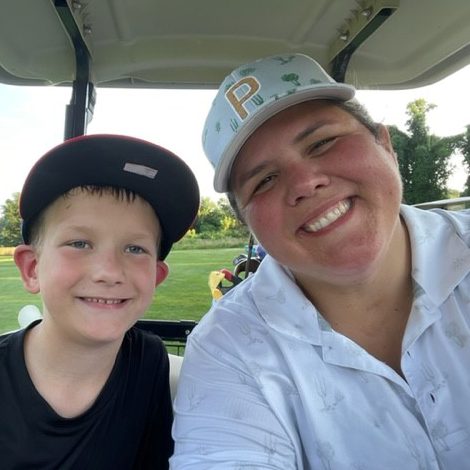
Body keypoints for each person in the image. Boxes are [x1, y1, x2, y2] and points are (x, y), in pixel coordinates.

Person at [170, 53, 470, 469]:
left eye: (322, 143)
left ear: (385, 145)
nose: (306, 183)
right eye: (265, 180)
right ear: (247, 223)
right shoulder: (228, 346)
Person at [0, 134, 199, 469]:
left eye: (135, 249)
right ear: (32, 268)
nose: (109, 272)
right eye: (79, 243)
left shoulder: (148, 362)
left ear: (155, 276)